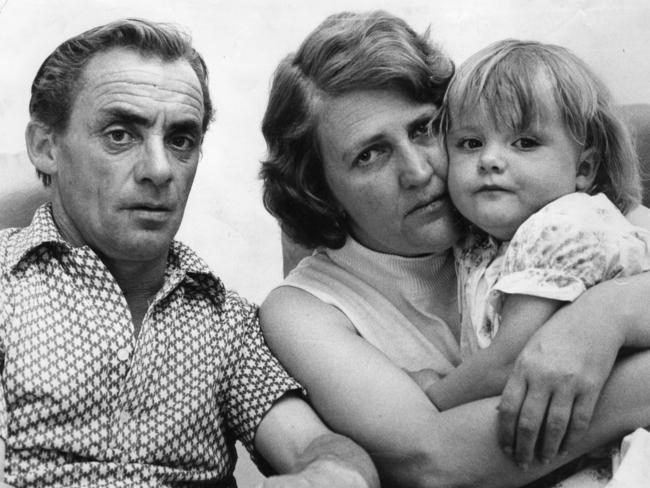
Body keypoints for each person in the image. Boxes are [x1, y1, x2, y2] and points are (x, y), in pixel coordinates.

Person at [259, 10, 650, 487]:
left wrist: (606, 315)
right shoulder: (305, 309)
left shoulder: (516, 202)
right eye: (370, 154)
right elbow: (433, 460)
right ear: (320, 190)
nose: (419, 171)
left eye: (424, 129)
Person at [0, 18, 379, 488]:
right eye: (120, 134)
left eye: (181, 140)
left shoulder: (225, 321)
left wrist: (333, 474)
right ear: (45, 147)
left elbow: (315, 447)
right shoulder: (6, 288)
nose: (160, 170)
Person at [420, 38, 650, 424]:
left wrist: (430, 396)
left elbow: (510, 361)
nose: (490, 160)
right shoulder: (484, 240)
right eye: (470, 143)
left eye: (524, 143)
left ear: (584, 169)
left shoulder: (561, 227)